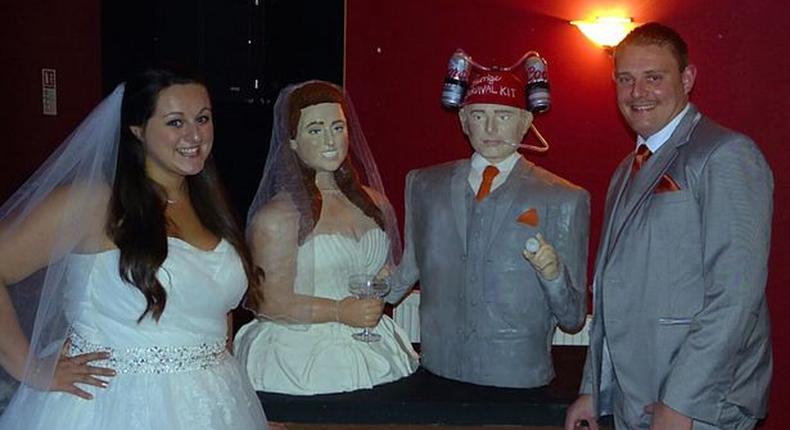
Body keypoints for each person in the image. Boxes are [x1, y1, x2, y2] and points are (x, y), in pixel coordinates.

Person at [0, 69, 270, 429]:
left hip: (212, 402)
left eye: (202, 119)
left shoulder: (208, 202)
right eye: (175, 122)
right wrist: (28, 367)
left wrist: (236, 403)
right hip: (112, 405)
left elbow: (216, 311)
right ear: (137, 130)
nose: (194, 135)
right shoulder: (95, 202)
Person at [565, 23, 773, 430]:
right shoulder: (626, 170)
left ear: (688, 78)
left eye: (653, 78)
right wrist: (594, 390)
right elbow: (612, 287)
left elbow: (736, 294)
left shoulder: (726, 154)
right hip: (634, 397)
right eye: (626, 79)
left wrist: (682, 402)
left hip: (701, 405)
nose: (637, 93)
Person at [387, 63, 590, 388]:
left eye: (504, 115)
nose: (491, 127)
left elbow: (572, 317)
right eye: (479, 115)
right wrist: (352, 299)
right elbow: (408, 268)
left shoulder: (564, 199)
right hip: (438, 367)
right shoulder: (425, 185)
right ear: (463, 121)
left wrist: (552, 275)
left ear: (526, 123)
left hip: (517, 374)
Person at [234, 80, 418, 395]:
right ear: (292, 141)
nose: (331, 140)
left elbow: (385, 269)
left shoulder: (373, 203)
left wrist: (389, 275)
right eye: (315, 130)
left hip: (371, 341)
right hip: (300, 354)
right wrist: (339, 312)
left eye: (337, 127)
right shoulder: (278, 218)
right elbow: (269, 301)